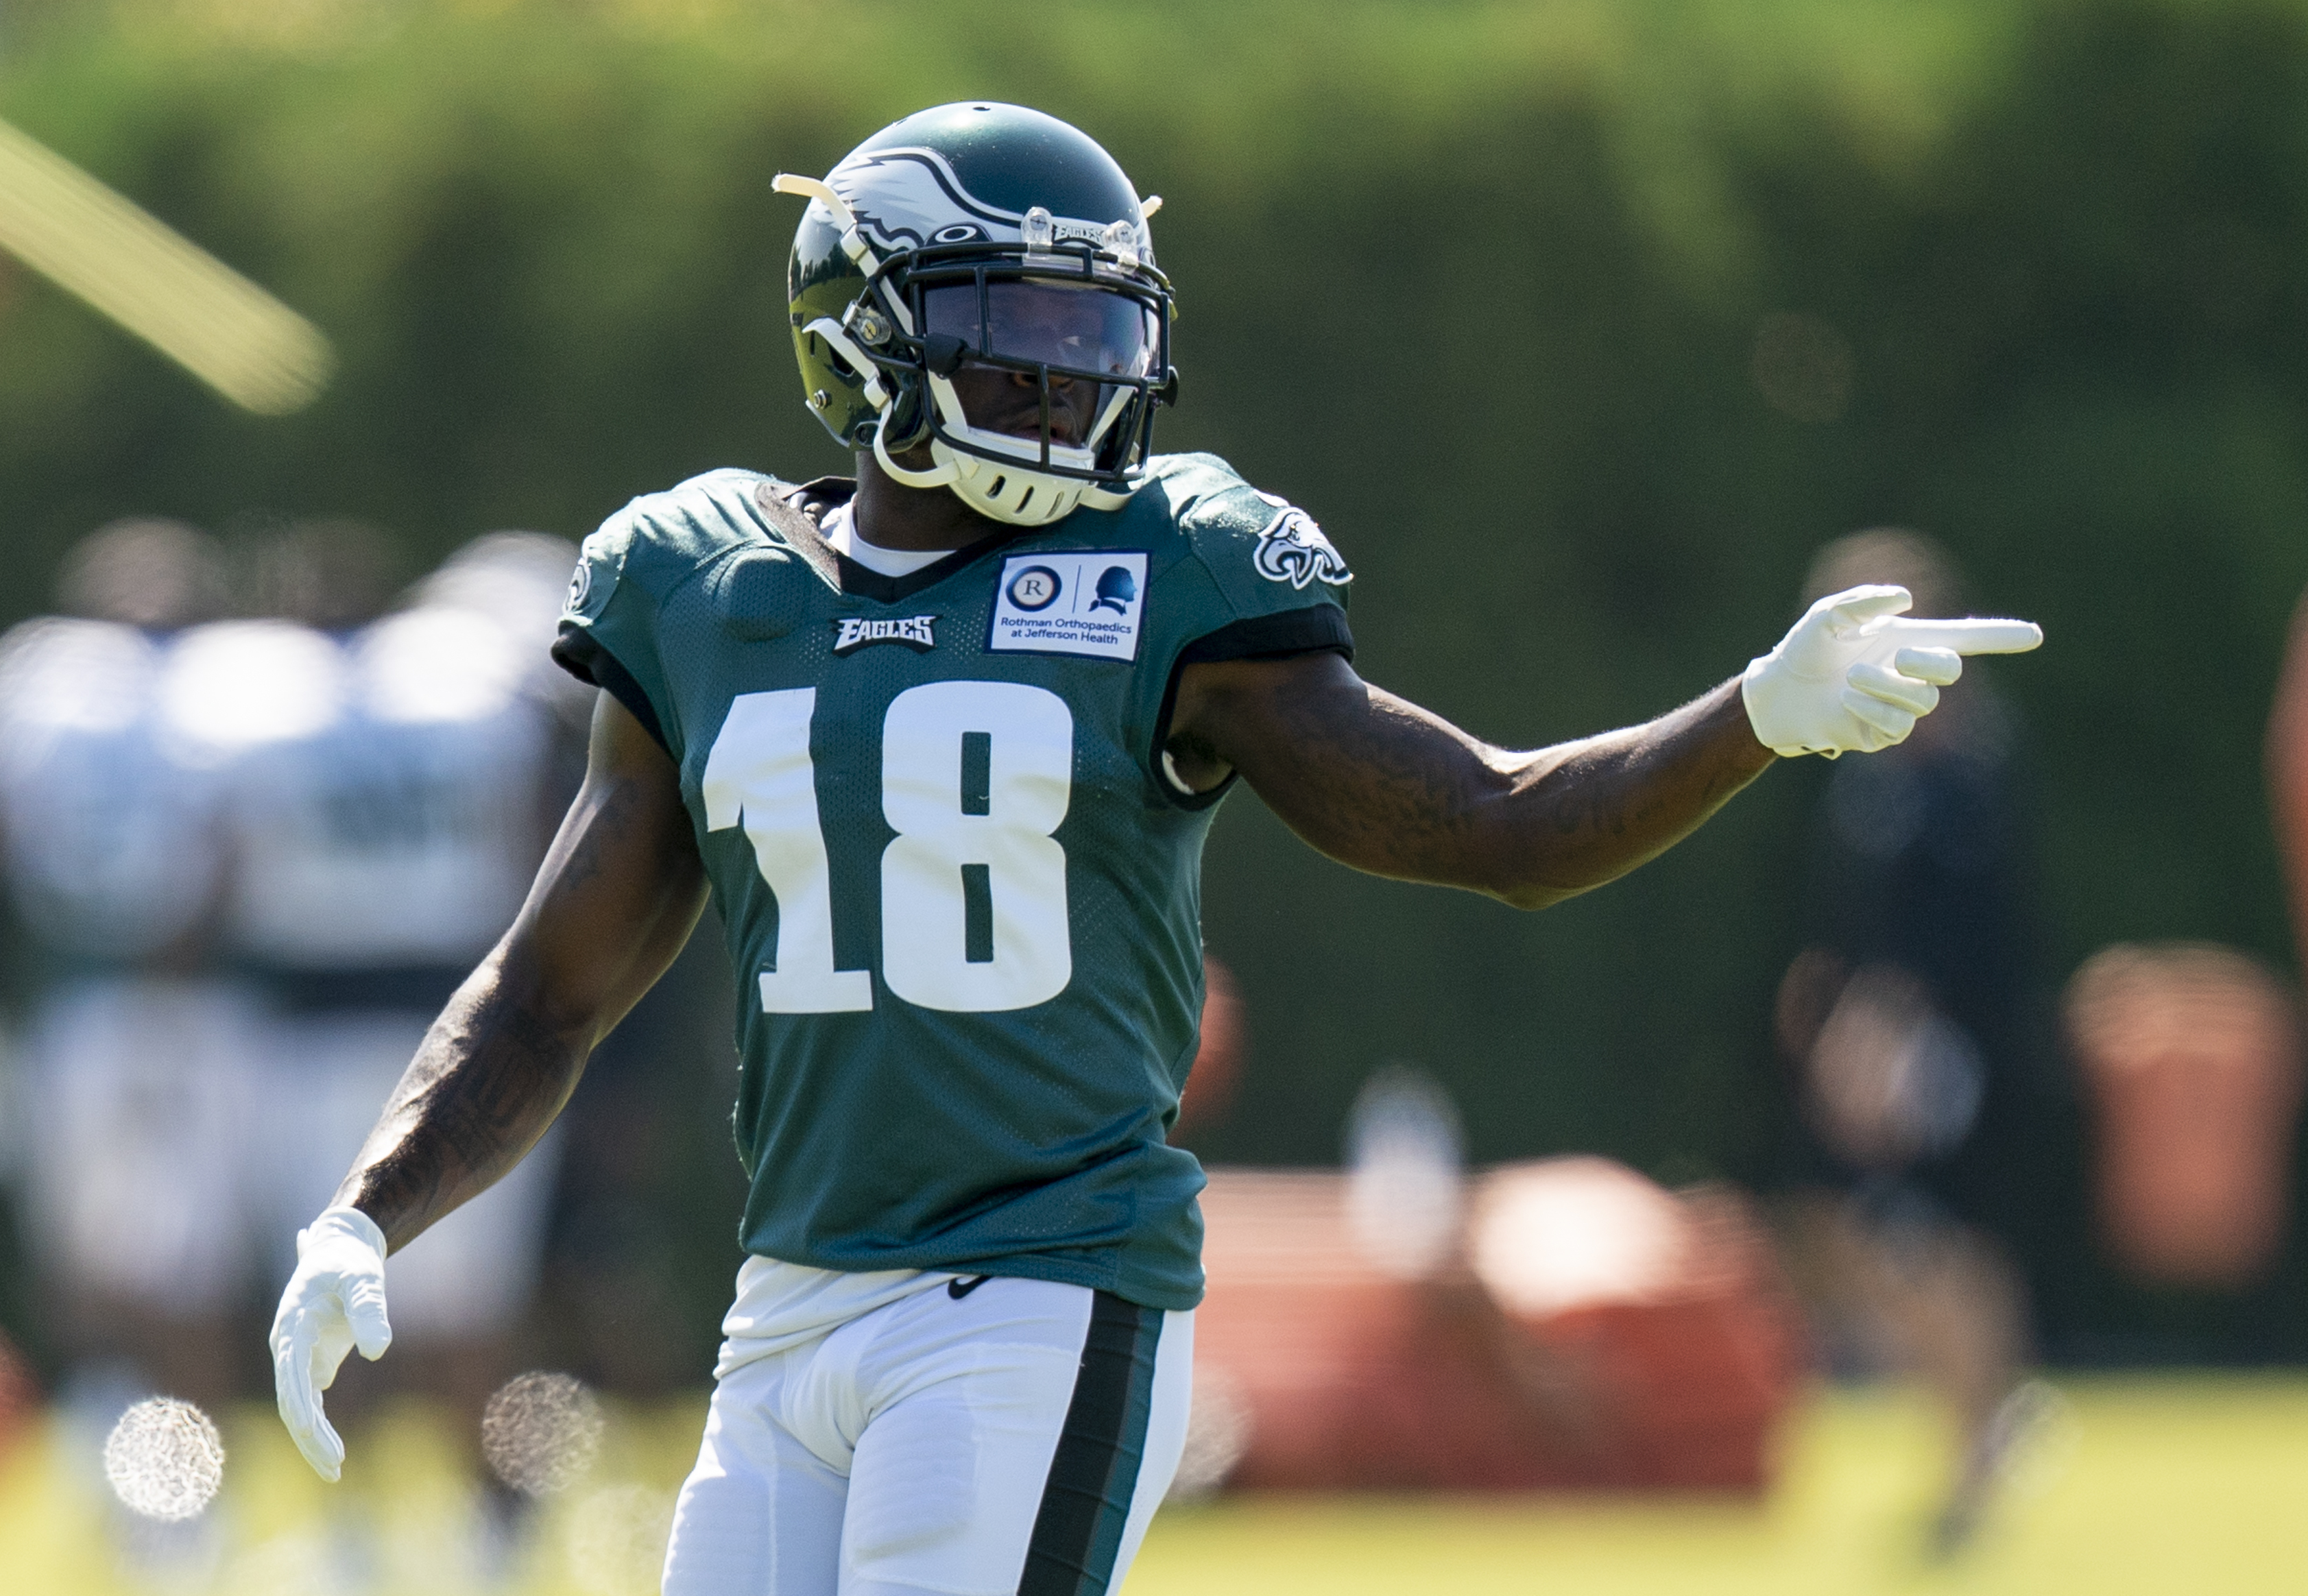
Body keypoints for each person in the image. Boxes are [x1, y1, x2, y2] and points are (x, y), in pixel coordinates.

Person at [268, 103, 2043, 1596]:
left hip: (1039, 1293)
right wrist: (369, 1211)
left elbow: (1493, 824)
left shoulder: (1168, 575)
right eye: (1017, 327)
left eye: (1096, 327)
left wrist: (1750, 714)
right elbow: (547, 990)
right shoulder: (700, 587)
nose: (1071, 375)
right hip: (790, 1305)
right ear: (865, 338)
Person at [171, 524, 579, 1486]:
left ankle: (354, 1525)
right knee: (470, 1302)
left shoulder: (256, 707)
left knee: (329, 1286)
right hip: (465, 1010)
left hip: (313, 1023)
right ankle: (489, 1521)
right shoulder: (473, 696)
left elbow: (219, 879)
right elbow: (536, 856)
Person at [1768, 529, 2050, 1558]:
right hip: (1876, 1039)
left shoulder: (1967, 775)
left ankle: (1984, 1446)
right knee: (1864, 1235)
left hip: (1945, 1051)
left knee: (1934, 1242)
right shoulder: (1873, 767)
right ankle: (1980, 1430)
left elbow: (1970, 935)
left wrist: (1891, 1027)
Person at [0, 518, 254, 1411]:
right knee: (92, 1252)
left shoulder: (231, 681)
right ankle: (119, 1441)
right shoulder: (44, 678)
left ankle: (181, 1458)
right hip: (99, 992)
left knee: (187, 1256)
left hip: (178, 998)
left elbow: (253, 847)